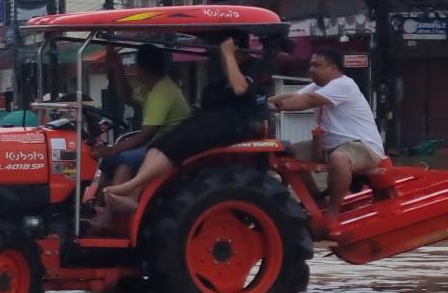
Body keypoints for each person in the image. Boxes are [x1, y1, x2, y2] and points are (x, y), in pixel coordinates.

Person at [105, 31, 268, 212]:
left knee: (176, 147)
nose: (220, 59)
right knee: (159, 144)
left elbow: (240, 88)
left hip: (232, 124)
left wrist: (229, 54)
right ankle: (134, 194)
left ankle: (130, 185)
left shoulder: (252, 66)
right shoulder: (223, 75)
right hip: (209, 120)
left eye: (221, 51)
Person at [269, 47, 385, 224]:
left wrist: (276, 107)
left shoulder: (344, 84)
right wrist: (265, 102)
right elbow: (293, 96)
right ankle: (317, 201)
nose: (311, 69)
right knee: (288, 153)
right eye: (311, 65)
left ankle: (332, 212)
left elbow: (308, 101)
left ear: (333, 68)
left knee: (339, 159)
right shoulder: (319, 86)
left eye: (317, 65)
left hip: (363, 147)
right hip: (329, 146)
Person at [94, 43, 192, 187]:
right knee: (109, 161)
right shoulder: (150, 88)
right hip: (157, 145)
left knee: (125, 159)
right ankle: (95, 204)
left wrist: (112, 149)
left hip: (167, 149)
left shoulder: (162, 93)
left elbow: (145, 135)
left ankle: (114, 205)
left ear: (141, 68)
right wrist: (117, 66)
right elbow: (127, 96)